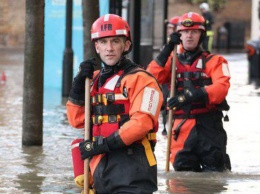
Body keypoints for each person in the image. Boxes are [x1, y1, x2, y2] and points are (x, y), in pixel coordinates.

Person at [67, 14, 163, 193]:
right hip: (99, 166)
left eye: (115, 41)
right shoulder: (92, 80)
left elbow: (141, 123)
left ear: (126, 45)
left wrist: (104, 144)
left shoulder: (143, 80)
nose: (109, 48)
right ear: (97, 47)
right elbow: (76, 120)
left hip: (133, 167)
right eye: (103, 42)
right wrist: (78, 86)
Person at [146, 12, 231, 172]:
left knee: (215, 172)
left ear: (201, 35)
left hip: (209, 126)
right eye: (185, 32)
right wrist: (166, 50)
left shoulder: (215, 61)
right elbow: (149, 79)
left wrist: (188, 96)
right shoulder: (171, 61)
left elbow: (222, 88)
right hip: (181, 127)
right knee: (182, 176)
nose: (189, 36)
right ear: (179, 35)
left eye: (194, 32)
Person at [161, 16, 181, 136]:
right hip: (166, 81)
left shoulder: (181, 47)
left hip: (175, 82)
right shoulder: (168, 45)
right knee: (165, 103)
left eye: (170, 28)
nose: (168, 30)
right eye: (168, 28)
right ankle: (165, 126)